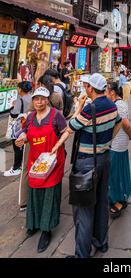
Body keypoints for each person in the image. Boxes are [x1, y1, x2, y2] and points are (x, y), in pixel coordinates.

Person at [51, 73, 122, 258]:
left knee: (83, 211)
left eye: (86, 86)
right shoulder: (112, 105)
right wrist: (107, 143)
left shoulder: (90, 109)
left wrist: (79, 105)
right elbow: (119, 123)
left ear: (91, 88)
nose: (84, 89)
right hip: (105, 159)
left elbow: (70, 126)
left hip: (87, 162)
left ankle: (82, 255)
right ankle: (101, 242)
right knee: (101, 202)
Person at [15, 87, 67, 253]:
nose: (39, 102)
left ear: (47, 100)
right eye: (36, 99)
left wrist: (57, 147)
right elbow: (25, 132)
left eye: (42, 99)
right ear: (33, 101)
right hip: (36, 164)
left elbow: (66, 132)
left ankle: (46, 229)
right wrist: (23, 137)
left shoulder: (56, 116)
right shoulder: (30, 117)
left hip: (53, 163)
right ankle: (34, 224)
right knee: (35, 193)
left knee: (49, 195)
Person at [106, 82, 131, 219]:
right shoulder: (120, 103)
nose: (104, 93)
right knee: (120, 171)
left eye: (106, 90)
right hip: (120, 143)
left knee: (114, 172)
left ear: (112, 92)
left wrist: (130, 134)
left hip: (117, 143)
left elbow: (126, 124)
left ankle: (116, 201)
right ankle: (121, 195)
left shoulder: (118, 105)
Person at [4, 81, 32, 177]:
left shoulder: (20, 100)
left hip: (19, 127)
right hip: (27, 125)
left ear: (20, 89)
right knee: (23, 147)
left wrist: (12, 106)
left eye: (18, 88)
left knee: (17, 147)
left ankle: (16, 168)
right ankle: (21, 165)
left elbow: (13, 114)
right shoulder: (31, 97)